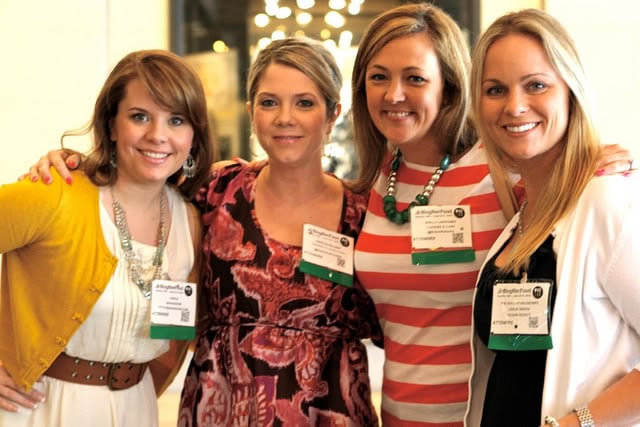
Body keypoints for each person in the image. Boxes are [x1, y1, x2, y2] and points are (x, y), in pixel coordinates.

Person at [21, 37, 383, 426]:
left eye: (305, 103)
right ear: (250, 111)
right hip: (219, 411)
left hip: (329, 416)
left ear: (333, 115)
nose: (285, 117)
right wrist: (81, 166)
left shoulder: (365, 215)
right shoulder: (217, 190)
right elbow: (140, 178)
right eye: (269, 102)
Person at [350, 3, 636, 426]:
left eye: (415, 77)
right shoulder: (367, 190)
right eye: (497, 90)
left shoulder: (508, 178)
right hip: (412, 413)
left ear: (448, 87)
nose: (395, 94)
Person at [0, 49, 215, 426]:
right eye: (139, 116)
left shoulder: (190, 221)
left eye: (176, 120)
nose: (158, 136)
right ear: (112, 124)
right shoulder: (57, 192)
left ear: (194, 135)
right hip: (43, 409)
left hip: (137, 408)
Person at [465, 9, 640, 427]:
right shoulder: (527, 211)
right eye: (495, 89)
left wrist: (575, 424)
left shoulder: (607, 199)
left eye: (536, 85)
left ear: (571, 92)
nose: (515, 106)